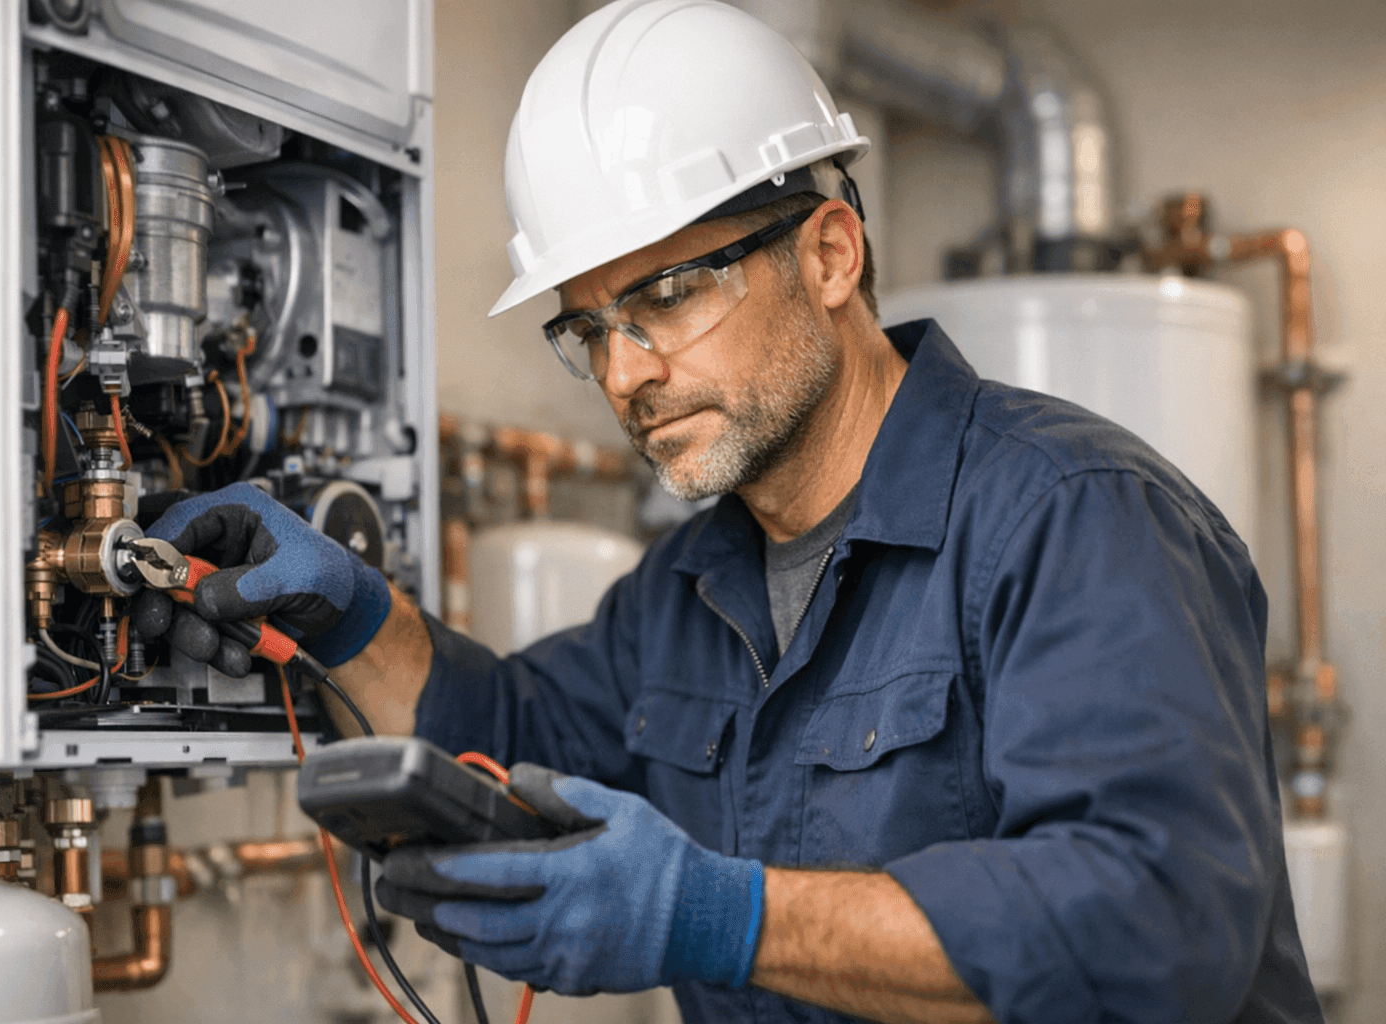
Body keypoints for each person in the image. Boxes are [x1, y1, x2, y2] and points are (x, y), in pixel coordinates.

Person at [135, 2, 1323, 1021]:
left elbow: (1154, 929)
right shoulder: (690, 588)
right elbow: (506, 733)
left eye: (664, 294)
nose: (623, 373)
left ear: (830, 255)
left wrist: (719, 916)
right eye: (589, 327)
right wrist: (351, 617)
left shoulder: (1074, 518)